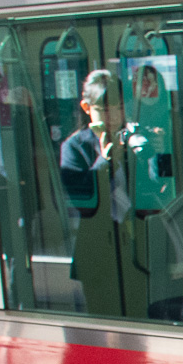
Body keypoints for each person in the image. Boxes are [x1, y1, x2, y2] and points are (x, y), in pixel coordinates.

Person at [58, 69, 147, 318]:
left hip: (137, 247)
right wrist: (105, 161)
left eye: (118, 108)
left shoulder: (134, 141)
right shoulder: (75, 146)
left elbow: (155, 189)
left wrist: (152, 154)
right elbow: (80, 200)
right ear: (87, 108)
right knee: (104, 319)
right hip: (98, 251)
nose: (113, 117)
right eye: (104, 109)